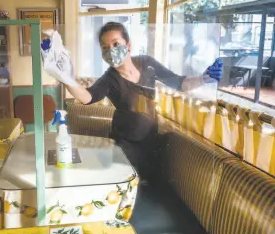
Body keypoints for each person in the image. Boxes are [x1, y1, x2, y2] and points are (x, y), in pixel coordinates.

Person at [42, 22, 223, 182]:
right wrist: (64, 77)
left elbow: (179, 83)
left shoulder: (147, 63)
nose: (111, 50)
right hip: (124, 148)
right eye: (105, 47)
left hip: (152, 145)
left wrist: (204, 78)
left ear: (128, 45)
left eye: (115, 44)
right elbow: (87, 98)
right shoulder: (109, 79)